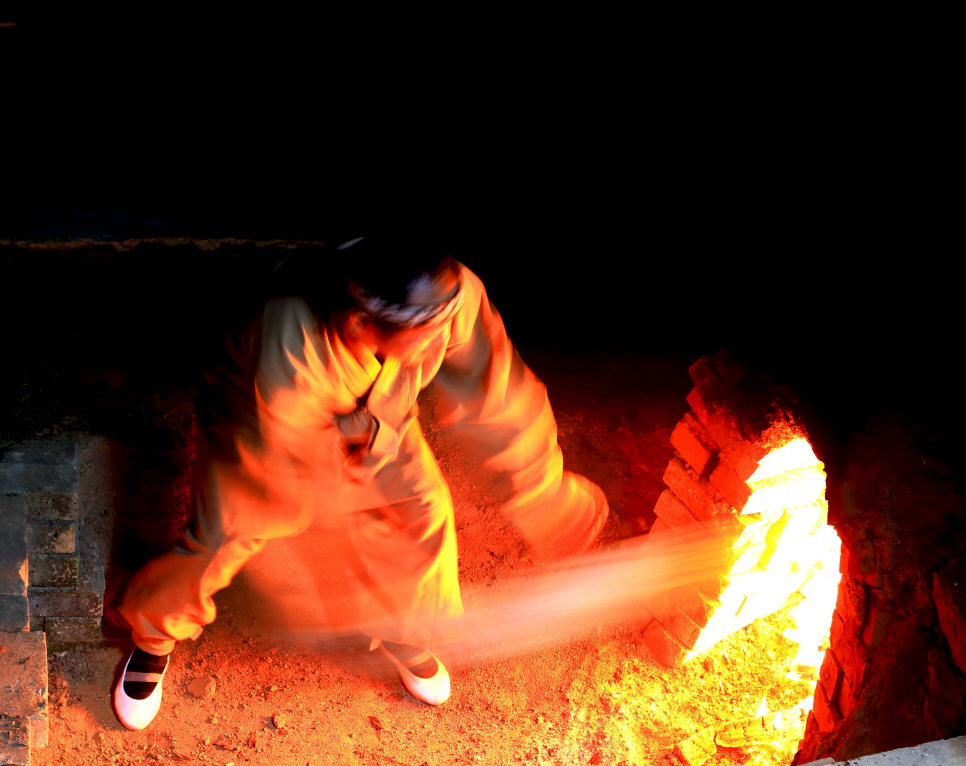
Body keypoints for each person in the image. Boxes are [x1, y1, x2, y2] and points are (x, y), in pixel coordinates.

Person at [112, 236, 608, 731]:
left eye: (442, 326)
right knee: (230, 532)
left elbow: (496, 388)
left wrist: (541, 487)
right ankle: (154, 635)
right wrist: (324, 593)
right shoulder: (293, 334)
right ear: (361, 324)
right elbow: (303, 472)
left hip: (377, 409)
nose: (441, 342)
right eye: (424, 335)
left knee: (422, 507)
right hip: (258, 410)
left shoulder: (447, 293)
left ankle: (402, 628)